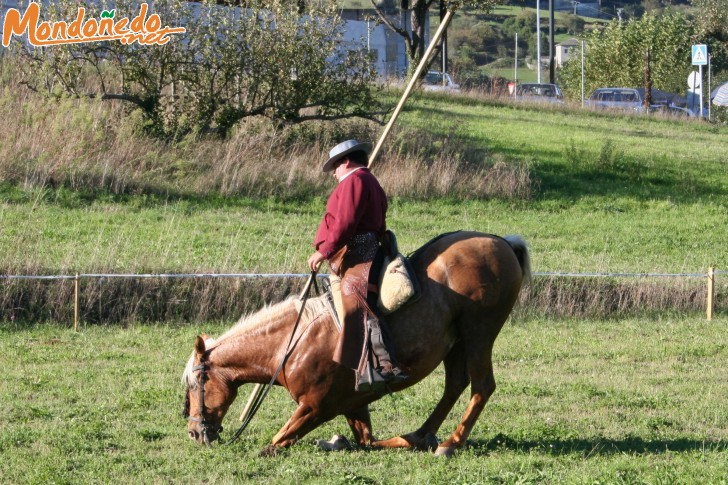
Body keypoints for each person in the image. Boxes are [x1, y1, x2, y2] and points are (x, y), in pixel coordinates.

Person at [308, 139, 405, 390]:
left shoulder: (355, 181)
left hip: (361, 251)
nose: (334, 174)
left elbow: (345, 223)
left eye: (335, 167)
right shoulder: (368, 180)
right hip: (364, 248)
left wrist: (324, 251)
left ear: (346, 161)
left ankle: (383, 365)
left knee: (357, 302)